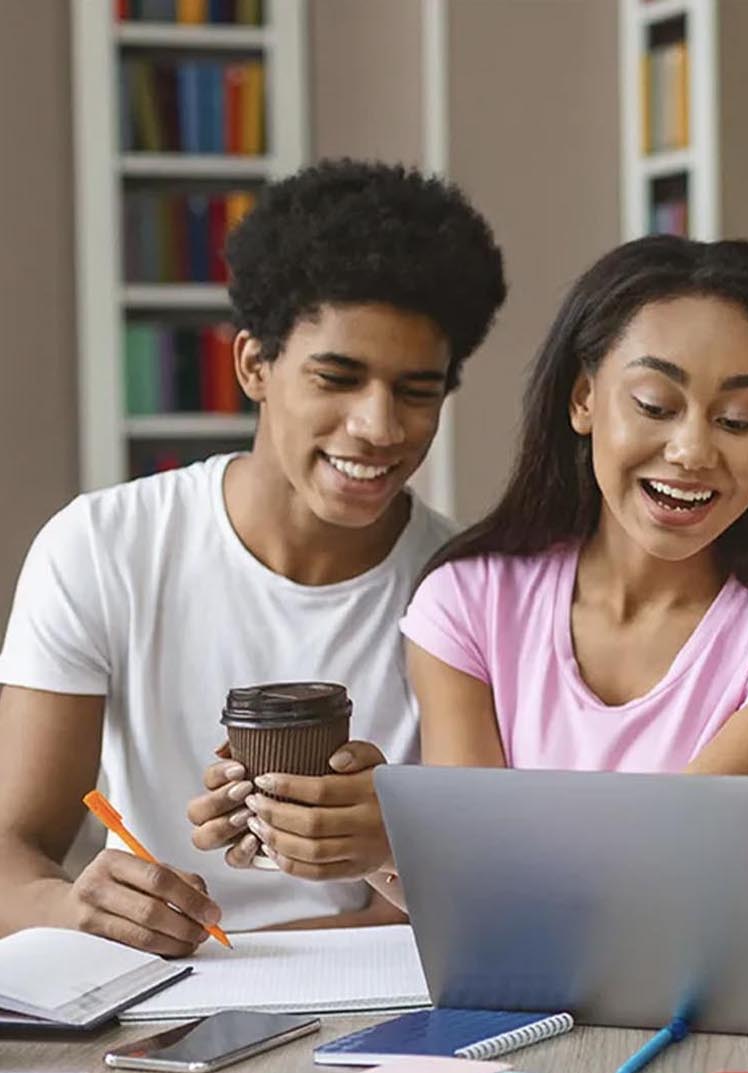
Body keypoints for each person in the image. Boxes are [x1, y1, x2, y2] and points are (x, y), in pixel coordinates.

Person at [0, 160, 506, 953]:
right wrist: (73, 910)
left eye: (417, 392)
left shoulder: (472, 590)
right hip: (149, 985)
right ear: (254, 367)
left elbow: (477, 892)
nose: (378, 426)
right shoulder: (102, 548)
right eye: (337, 378)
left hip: (375, 995)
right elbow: (10, 847)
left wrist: (401, 846)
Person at [381, 236, 748, 897]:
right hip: (520, 1001)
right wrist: (398, 850)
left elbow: (658, 875)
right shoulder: (468, 601)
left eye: (739, 420)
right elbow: (474, 902)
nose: (692, 450)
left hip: (722, 1002)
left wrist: (404, 837)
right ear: (582, 398)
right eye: (656, 406)